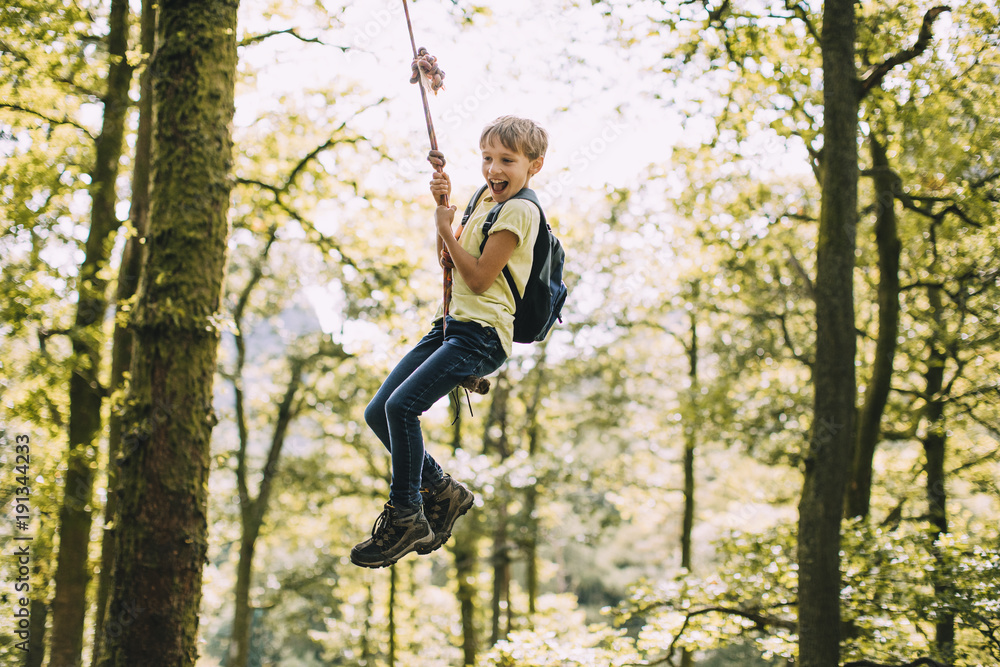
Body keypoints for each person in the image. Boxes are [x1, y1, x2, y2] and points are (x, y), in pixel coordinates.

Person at [351, 116, 548, 568]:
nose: (493, 170)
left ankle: (407, 514)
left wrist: (445, 227)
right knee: (379, 411)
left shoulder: (521, 210)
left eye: (507, 161)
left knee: (402, 408)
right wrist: (447, 214)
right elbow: (450, 262)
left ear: (533, 166)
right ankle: (442, 488)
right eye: (487, 158)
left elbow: (479, 279)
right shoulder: (484, 198)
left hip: (481, 335)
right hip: (450, 325)